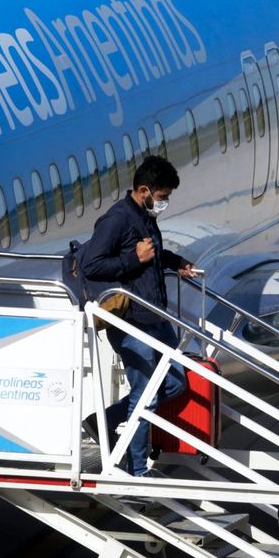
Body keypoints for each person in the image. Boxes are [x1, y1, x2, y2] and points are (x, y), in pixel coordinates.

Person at [81, 155, 196, 477]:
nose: (165, 203)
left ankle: (103, 420)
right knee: (144, 398)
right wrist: (133, 258)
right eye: (162, 197)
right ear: (144, 190)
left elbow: (153, 254)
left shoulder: (145, 217)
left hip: (156, 317)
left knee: (175, 383)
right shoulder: (116, 220)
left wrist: (176, 262)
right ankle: (137, 470)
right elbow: (92, 265)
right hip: (131, 323)